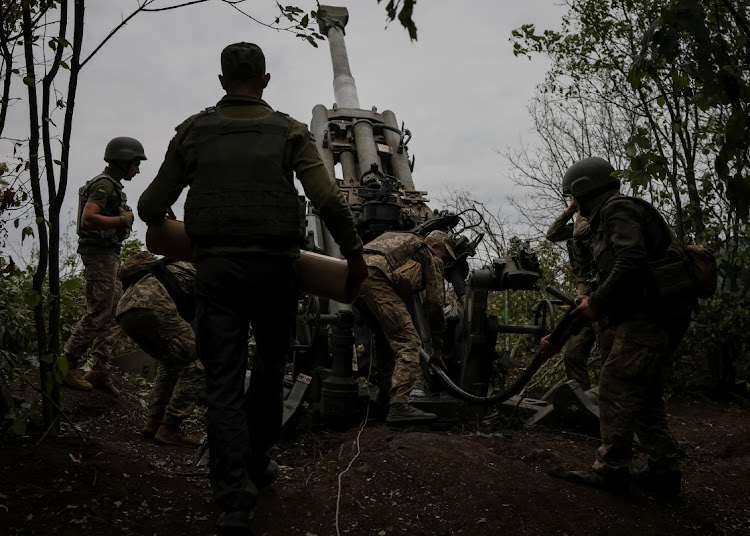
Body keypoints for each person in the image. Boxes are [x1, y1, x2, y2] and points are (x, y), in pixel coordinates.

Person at [137, 42, 367, 535]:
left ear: (222, 82)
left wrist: (163, 225)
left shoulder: (193, 132)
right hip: (275, 273)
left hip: (217, 274)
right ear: (265, 81)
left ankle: (233, 503)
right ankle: (258, 462)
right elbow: (326, 196)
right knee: (267, 373)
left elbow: (151, 202)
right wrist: (353, 256)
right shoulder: (289, 131)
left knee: (222, 381)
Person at [543, 156, 695, 498]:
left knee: (615, 387)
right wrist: (566, 330)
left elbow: (631, 261)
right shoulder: (607, 217)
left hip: (651, 318)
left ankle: (611, 470)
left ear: (583, 190)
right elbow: (614, 279)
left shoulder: (616, 210)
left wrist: (596, 303)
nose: (574, 205)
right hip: (653, 316)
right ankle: (663, 472)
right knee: (644, 395)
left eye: (574, 197)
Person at [63, 137, 147, 396]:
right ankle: (66, 365)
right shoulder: (103, 185)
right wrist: (122, 220)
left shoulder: (112, 186)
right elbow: (88, 220)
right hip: (98, 255)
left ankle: (99, 369)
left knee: (114, 311)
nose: (138, 169)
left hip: (108, 254)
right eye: (136, 164)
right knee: (99, 312)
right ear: (123, 162)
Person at [358, 229, 455, 424]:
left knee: (386, 340)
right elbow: (435, 304)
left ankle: (385, 399)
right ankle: (399, 404)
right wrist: (437, 347)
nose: (443, 264)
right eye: (445, 258)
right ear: (436, 246)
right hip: (377, 277)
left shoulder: (398, 240)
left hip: (353, 273)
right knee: (409, 341)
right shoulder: (429, 254)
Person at [116, 250, 205, 448]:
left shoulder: (170, 263)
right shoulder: (204, 266)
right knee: (197, 363)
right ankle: (170, 427)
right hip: (153, 303)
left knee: (171, 360)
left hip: (125, 310)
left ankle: (153, 422)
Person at [545, 164, 599, 391]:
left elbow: (579, 232)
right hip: (583, 292)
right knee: (573, 354)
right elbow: (552, 234)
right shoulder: (579, 220)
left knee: (611, 356)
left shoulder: (597, 219)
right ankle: (583, 401)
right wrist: (568, 212)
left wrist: (578, 211)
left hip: (602, 293)